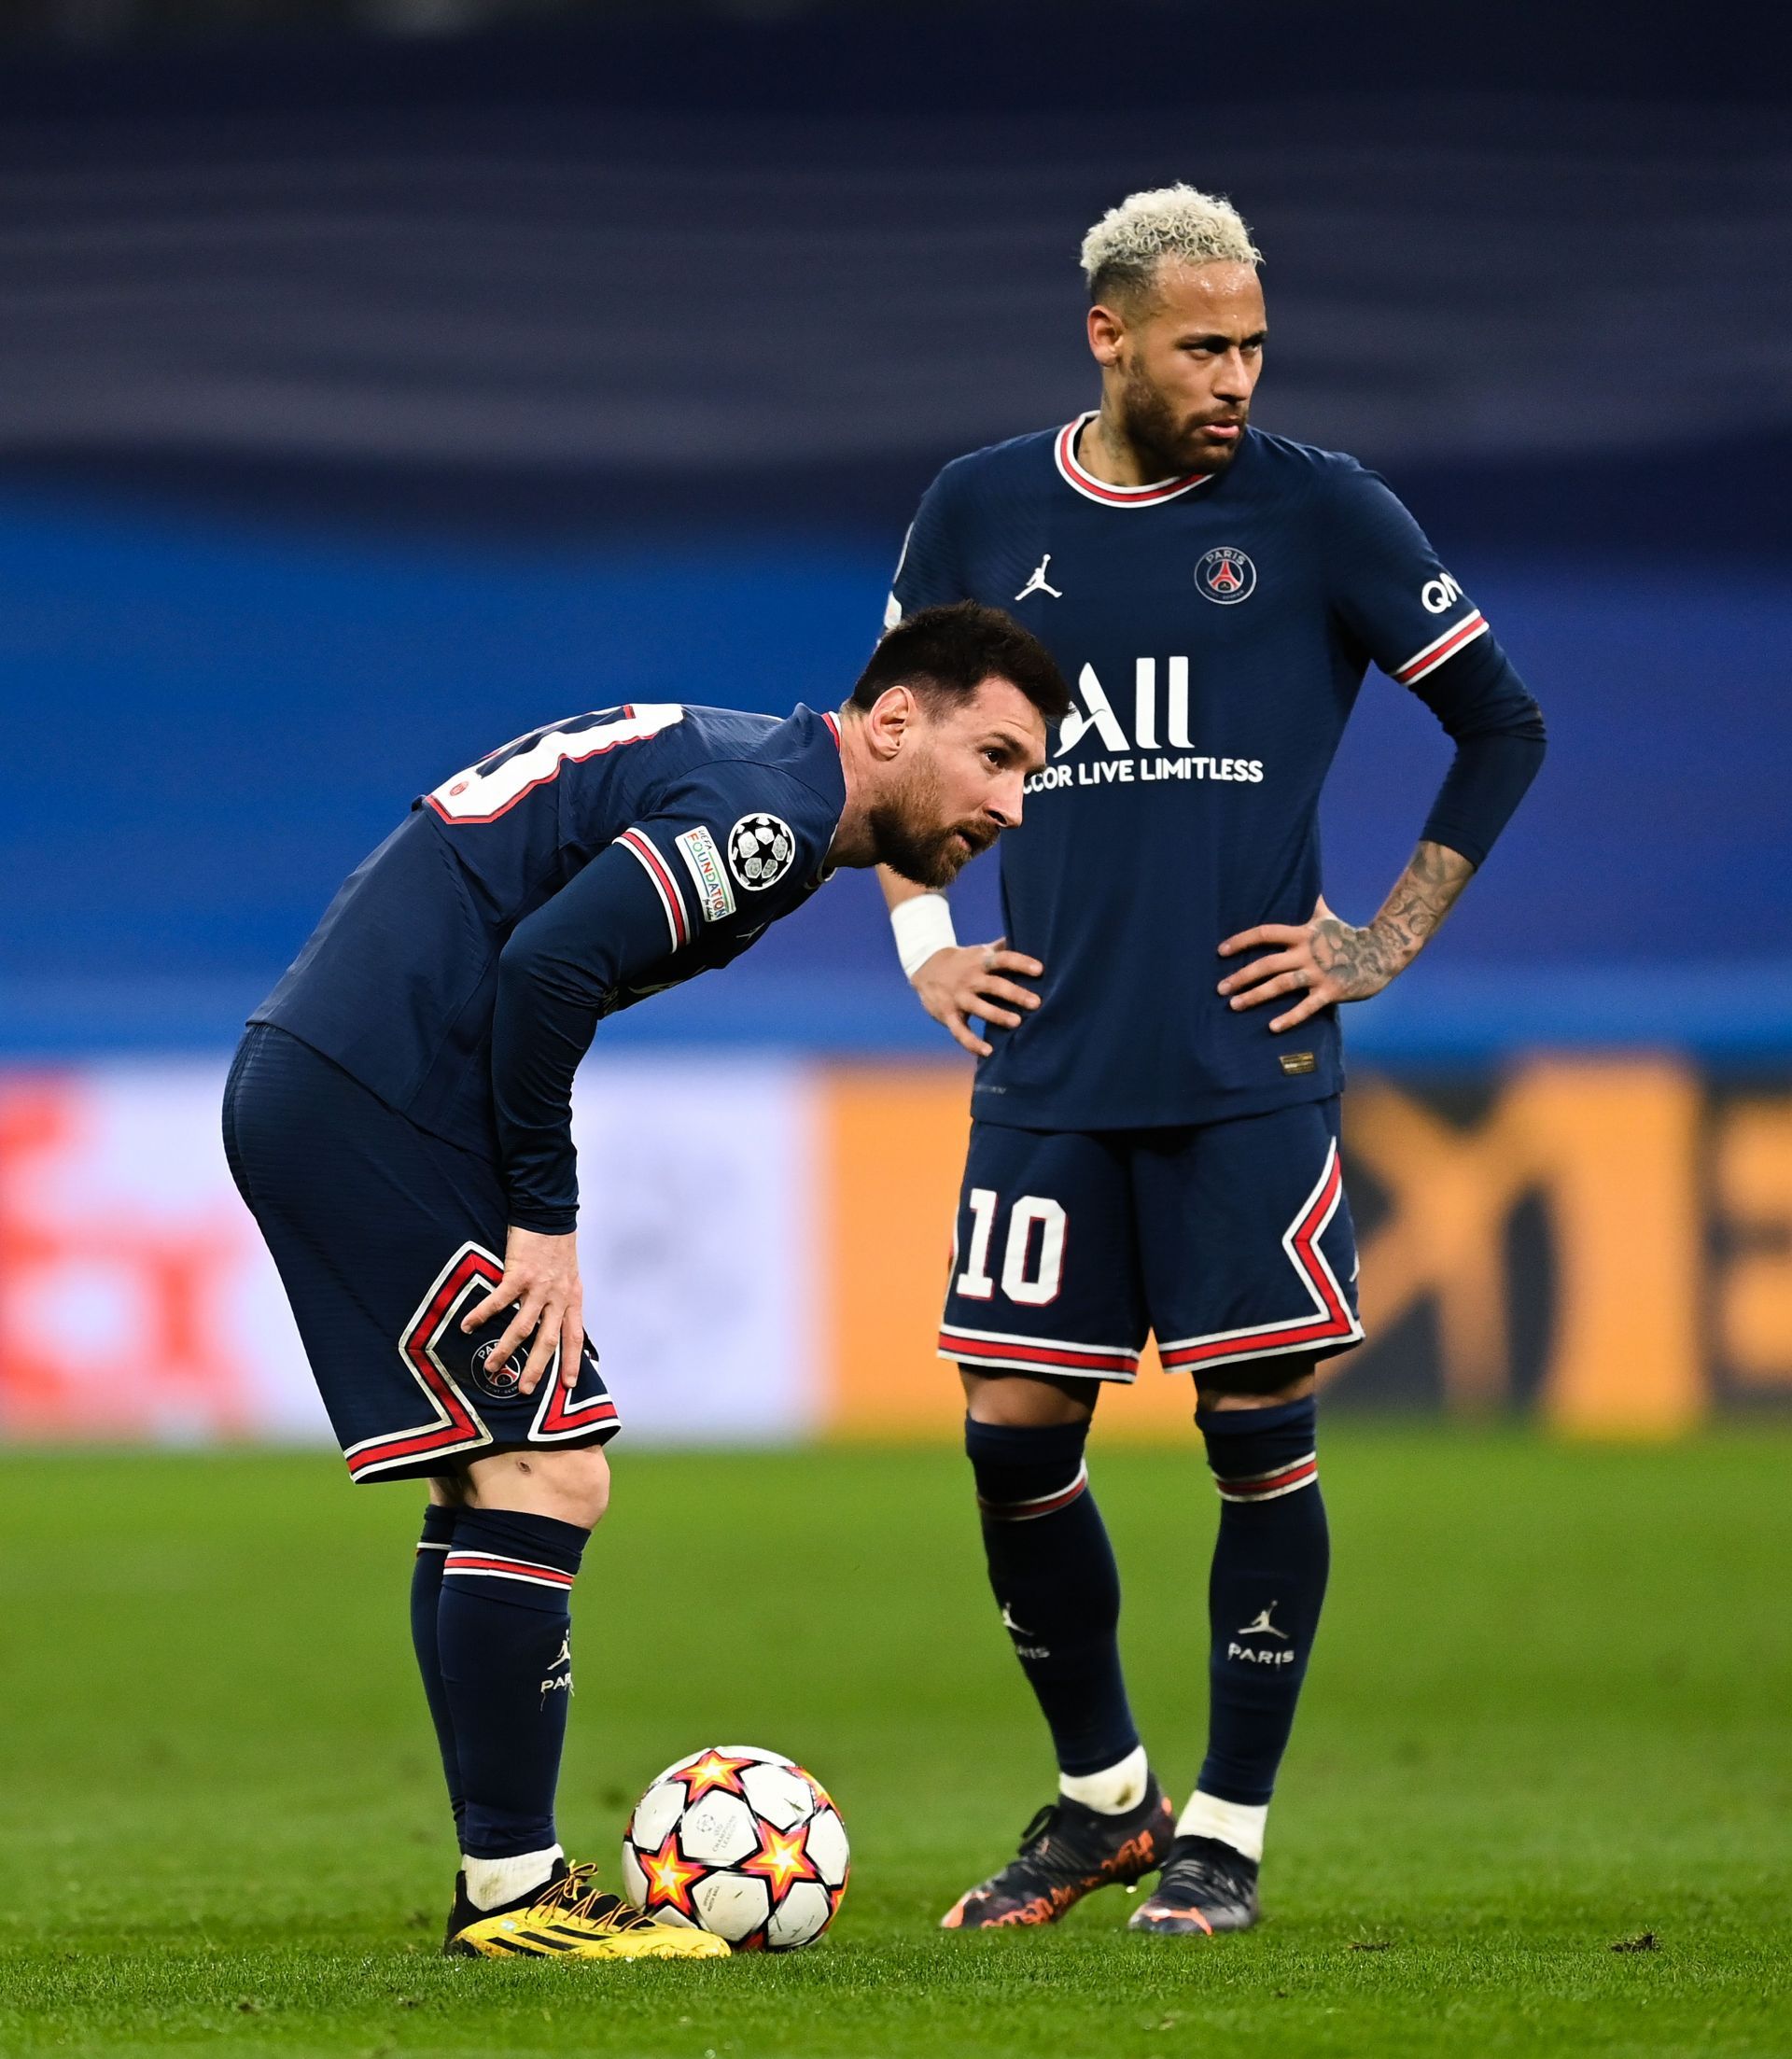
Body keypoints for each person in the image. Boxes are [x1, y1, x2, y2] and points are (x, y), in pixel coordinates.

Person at [879, 186, 1547, 1935]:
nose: (1237, 375)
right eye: (1202, 345)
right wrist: (925, 941)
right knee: (1011, 1430)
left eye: (1254, 343)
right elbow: (889, 736)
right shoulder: (981, 505)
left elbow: (1501, 720)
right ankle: (1104, 1796)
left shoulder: (1321, 511)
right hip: (1049, 1069)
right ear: (1109, 335)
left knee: (1258, 1431)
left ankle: (1227, 1830)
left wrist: (1381, 938)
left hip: (1250, 1068)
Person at [222, 602, 1068, 1960]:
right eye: (998, 757)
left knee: (496, 1473)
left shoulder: (762, 770)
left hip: (346, 1080)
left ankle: (503, 1876)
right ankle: (511, 1891)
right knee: (554, 1467)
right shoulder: (771, 817)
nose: (1011, 806)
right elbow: (548, 965)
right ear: (896, 722)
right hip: (375, 1101)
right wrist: (542, 1220)